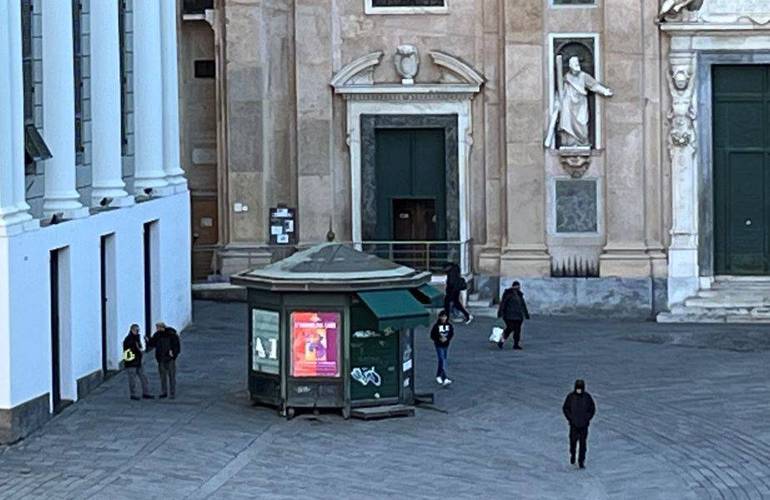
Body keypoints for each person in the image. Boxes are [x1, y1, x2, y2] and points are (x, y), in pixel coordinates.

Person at [562, 379, 596, 469]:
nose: (579, 390)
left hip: (584, 425)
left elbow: (592, 409)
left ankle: (581, 461)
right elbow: (565, 408)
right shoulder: (571, 397)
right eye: (577, 388)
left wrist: (587, 418)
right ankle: (572, 454)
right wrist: (570, 418)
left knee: (582, 444)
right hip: (573, 425)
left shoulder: (587, 397)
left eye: (580, 388)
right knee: (573, 442)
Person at [146, 322, 181, 399]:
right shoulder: (157, 335)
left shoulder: (172, 335)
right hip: (161, 358)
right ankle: (164, 392)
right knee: (163, 377)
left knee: (171, 376)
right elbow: (152, 343)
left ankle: (172, 393)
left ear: (162, 327)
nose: (157, 329)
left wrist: (174, 354)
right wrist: (148, 340)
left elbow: (177, 346)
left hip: (169, 359)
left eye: (158, 327)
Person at [122, 324, 154, 401]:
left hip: (138, 361)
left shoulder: (136, 338)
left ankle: (146, 393)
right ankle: (133, 394)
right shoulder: (128, 339)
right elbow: (131, 350)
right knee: (132, 379)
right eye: (137, 330)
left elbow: (140, 348)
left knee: (144, 377)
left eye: (138, 330)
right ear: (132, 330)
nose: (138, 331)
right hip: (131, 362)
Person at [496, 281, 530, 350]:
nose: (518, 287)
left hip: (518, 316)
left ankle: (516, 344)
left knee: (517, 331)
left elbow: (523, 305)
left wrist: (526, 314)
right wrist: (500, 313)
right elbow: (503, 304)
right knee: (509, 328)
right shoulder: (508, 294)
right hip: (509, 316)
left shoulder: (520, 294)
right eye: (517, 286)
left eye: (518, 286)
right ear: (513, 286)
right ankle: (501, 341)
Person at [430, 310, 454, 386]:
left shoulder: (449, 326)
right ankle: (444, 377)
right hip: (438, 345)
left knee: (443, 360)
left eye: (445, 316)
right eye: (442, 316)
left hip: (446, 345)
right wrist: (439, 338)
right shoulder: (436, 326)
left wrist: (447, 339)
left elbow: (451, 333)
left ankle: (439, 375)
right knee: (442, 359)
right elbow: (432, 335)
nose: (444, 318)